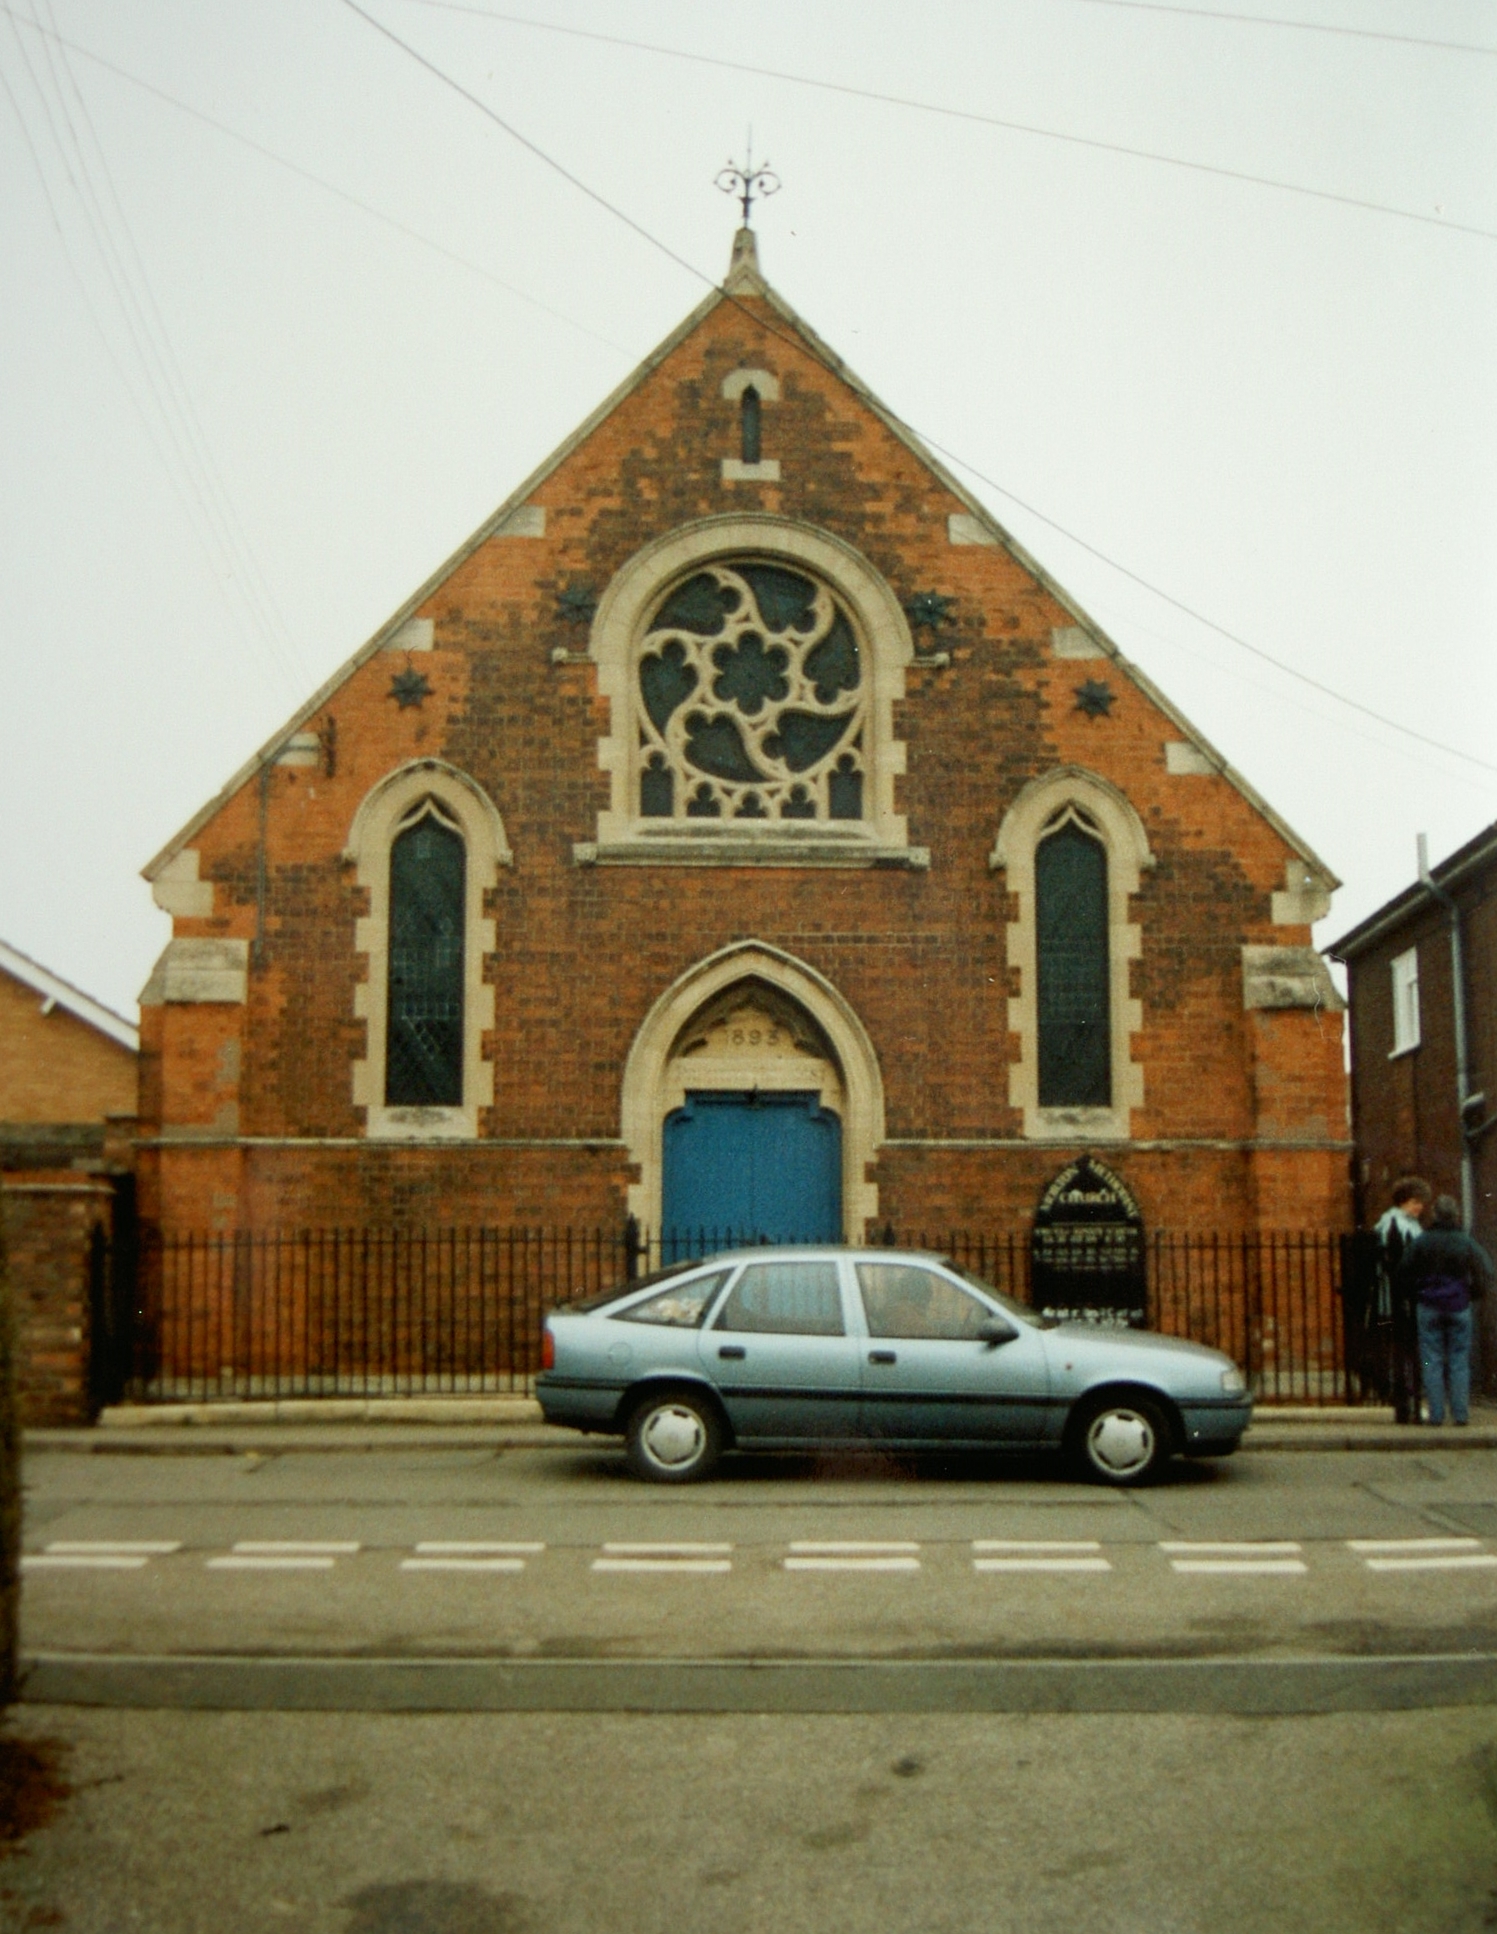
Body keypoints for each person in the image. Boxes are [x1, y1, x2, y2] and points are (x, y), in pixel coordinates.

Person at [1395, 1196, 1495, 1426]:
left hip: (1429, 1306)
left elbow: (1402, 1272)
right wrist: (1471, 1294)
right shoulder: (1465, 1242)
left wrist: (1416, 1294)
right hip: (1458, 1305)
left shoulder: (1422, 1242)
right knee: (1459, 1361)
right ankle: (1460, 1415)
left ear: (1435, 1215)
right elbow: (1486, 1271)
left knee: (1432, 1361)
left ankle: (1436, 1415)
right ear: (1456, 1215)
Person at [1375, 1177, 1431, 1423]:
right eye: (1415, 1202)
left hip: (1402, 1297)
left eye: (1421, 1202)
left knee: (1407, 1354)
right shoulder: (1396, 1225)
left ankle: (1409, 1404)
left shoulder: (1407, 1224)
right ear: (1403, 1201)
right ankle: (1407, 1404)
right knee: (1406, 1354)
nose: (1419, 1207)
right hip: (1401, 1299)